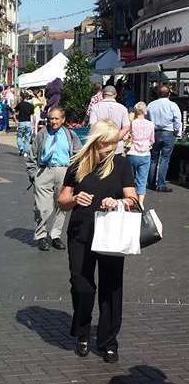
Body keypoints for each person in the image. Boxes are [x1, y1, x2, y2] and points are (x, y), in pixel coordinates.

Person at [58, 119, 137, 364]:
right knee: (81, 285)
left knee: (111, 288)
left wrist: (119, 203)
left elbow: (132, 198)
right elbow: (61, 200)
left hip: (111, 234)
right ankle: (82, 332)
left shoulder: (122, 164)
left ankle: (108, 342)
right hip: (81, 233)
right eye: (106, 144)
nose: (110, 149)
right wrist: (74, 200)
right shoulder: (78, 164)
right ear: (95, 142)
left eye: (114, 144)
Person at [26, 107, 82, 251]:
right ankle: (41, 236)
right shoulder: (41, 134)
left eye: (57, 119)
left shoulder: (70, 135)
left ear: (63, 120)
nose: (53, 121)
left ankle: (56, 235)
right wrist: (33, 174)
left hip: (64, 172)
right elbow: (32, 154)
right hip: (45, 171)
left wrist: (75, 174)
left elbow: (78, 155)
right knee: (42, 207)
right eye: (51, 118)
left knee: (62, 206)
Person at [147, 85, 182, 193]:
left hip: (155, 132)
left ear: (158, 94)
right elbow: (177, 119)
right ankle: (161, 184)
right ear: (169, 94)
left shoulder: (151, 105)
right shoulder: (172, 105)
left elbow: (147, 118)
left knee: (153, 159)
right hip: (168, 132)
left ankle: (151, 183)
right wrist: (176, 131)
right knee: (165, 159)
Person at [127, 102, 155, 206]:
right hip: (145, 154)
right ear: (145, 111)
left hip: (132, 152)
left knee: (129, 178)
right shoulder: (151, 124)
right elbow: (152, 140)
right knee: (142, 180)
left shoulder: (132, 123)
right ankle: (141, 203)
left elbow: (128, 136)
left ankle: (130, 200)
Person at [89, 85, 131, 154]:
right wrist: (115, 138)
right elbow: (126, 127)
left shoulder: (95, 107)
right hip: (117, 146)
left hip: (101, 146)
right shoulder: (123, 108)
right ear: (115, 95)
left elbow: (93, 126)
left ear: (102, 94)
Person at [15, 92, 35, 157]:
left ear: (22, 97)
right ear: (28, 97)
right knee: (27, 137)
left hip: (21, 122)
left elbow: (15, 111)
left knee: (19, 136)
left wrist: (16, 119)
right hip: (28, 122)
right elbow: (32, 114)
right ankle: (26, 152)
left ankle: (21, 148)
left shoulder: (20, 104)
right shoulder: (31, 105)